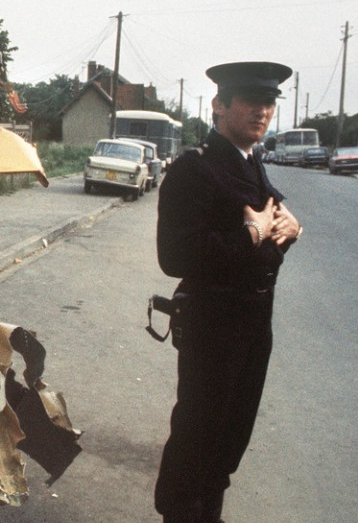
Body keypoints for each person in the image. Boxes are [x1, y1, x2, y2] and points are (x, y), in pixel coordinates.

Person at [154, 61, 303, 523]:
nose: (262, 111)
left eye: (270, 102)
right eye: (251, 102)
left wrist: (288, 230)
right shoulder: (193, 169)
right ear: (219, 106)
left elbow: (270, 230)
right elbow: (174, 258)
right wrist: (252, 237)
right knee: (199, 435)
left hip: (253, 325)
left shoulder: (253, 165)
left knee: (229, 440)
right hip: (214, 325)